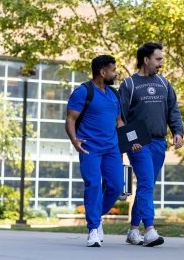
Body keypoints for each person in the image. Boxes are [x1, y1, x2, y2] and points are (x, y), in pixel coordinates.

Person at [65, 55, 138, 247]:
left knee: (116, 186)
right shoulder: (83, 92)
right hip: (90, 148)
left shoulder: (113, 94)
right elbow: (70, 119)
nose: (115, 73)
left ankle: (96, 217)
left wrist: (132, 141)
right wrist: (74, 141)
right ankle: (93, 228)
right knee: (93, 185)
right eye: (113, 70)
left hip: (111, 148)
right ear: (102, 72)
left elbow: (119, 122)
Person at [119, 42, 184, 247]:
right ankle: (149, 230)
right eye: (158, 59)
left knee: (147, 185)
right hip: (138, 142)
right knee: (146, 182)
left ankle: (132, 231)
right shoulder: (129, 84)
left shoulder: (165, 84)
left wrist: (178, 132)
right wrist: (131, 140)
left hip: (159, 142)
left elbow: (173, 110)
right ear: (146, 60)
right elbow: (120, 116)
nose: (161, 63)